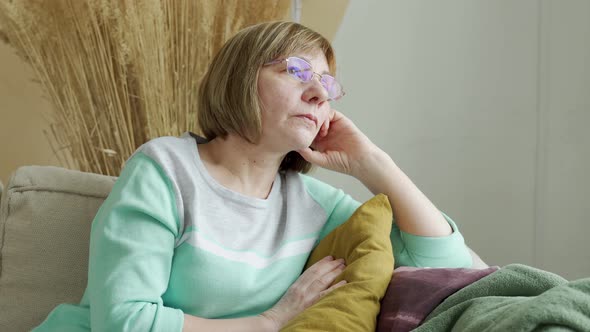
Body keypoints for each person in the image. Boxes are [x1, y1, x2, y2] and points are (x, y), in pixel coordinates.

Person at [33, 21, 472, 332]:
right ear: (241, 79)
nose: (319, 92)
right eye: (297, 71)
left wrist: (372, 164)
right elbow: (124, 322)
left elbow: (449, 266)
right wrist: (267, 323)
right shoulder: (165, 169)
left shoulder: (314, 205)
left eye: (327, 84)